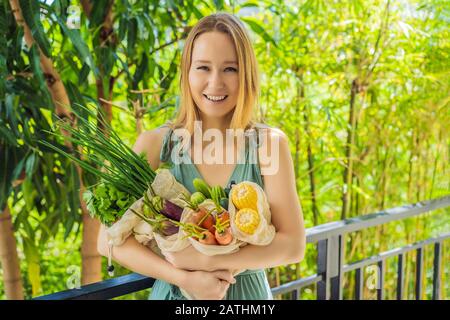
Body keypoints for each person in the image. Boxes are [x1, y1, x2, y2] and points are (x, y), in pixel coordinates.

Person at [97, 12, 305, 300]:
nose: (215, 82)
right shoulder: (155, 144)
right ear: (188, 73)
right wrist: (183, 277)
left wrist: (208, 261)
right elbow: (107, 240)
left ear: (246, 74)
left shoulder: (268, 144)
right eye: (203, 67)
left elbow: (293, 245)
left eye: (230, 69)